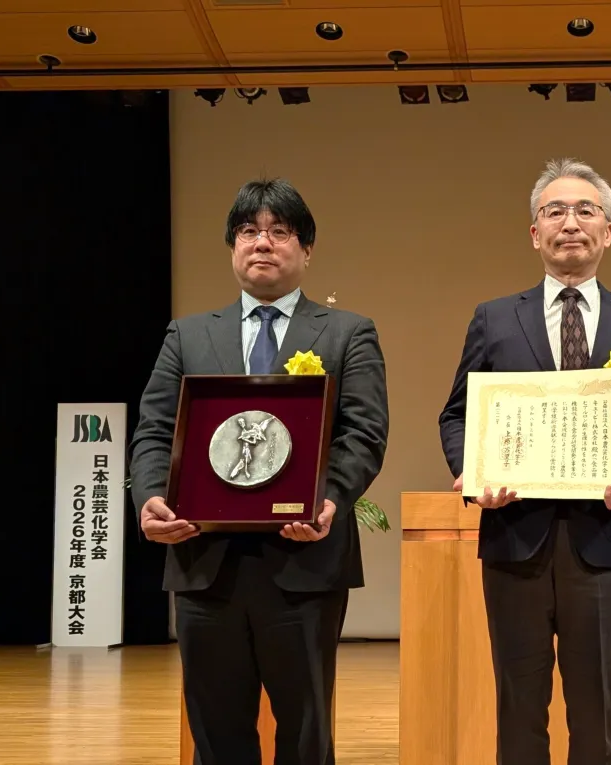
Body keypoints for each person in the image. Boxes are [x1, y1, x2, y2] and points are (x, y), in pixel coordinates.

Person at [128, 178, 389, 765]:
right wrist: (149, 498)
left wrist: (327, 499)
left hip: (303, 562)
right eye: (248, 231)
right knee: (215, 733)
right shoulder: (188, 334)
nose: (262, 243)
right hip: (204, 562)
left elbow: (363, 432)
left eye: (280, 232)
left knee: (305, 733)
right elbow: (154, 431)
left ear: (306, 249)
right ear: (232, 247)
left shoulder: (347, 333)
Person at [438, 158, 611, 765]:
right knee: (518, 707)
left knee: (598, 709)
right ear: (534, 233)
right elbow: (457, 415)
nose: (570, 223)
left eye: (585, 210)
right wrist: (472, 475)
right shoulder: (494, 317)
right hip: (513, 537)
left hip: (603, 540)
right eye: (554, 211)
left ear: (608, 231)